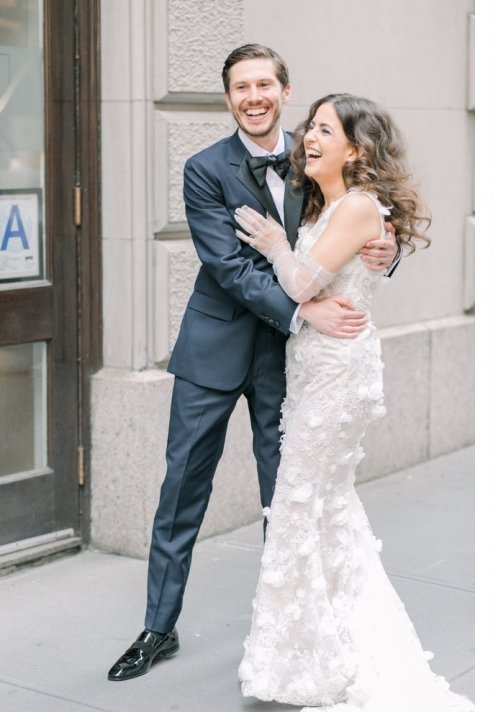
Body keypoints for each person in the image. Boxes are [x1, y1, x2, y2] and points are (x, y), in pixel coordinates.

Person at [106, 45, 397, 682]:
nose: (254, 96)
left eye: (264, 84)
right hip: (216, 350)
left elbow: (364, 210)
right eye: (241, 87)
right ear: (230, 98)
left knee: (286, 494)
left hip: (288, 364)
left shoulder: (316, 151)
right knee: (182, 487)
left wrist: (386, 247)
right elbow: (230, 266)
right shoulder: (203, 168)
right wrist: (304, 312)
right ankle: (159, 627)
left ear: (285, 90)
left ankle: (288, 630)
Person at [233, 93, 473, 711]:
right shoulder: (332, 202)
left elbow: (302, 281)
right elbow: (336, 267)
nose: (307, 138)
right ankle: (330, 641)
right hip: (318, 368)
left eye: (322, 129)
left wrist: (271, 244)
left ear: (356, 149)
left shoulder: (358, 206)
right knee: (326, 508)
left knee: (298, 502)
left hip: (337, 374)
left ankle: (308, 660)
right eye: (308, 127)